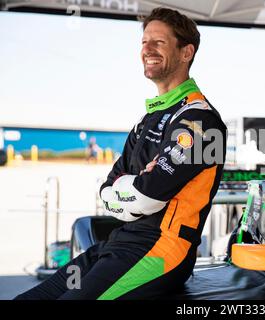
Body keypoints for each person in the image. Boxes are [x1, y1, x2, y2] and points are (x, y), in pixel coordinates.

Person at [15, 7, 227, 300]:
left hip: (161, 251)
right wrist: (129, 189)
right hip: (118, 243)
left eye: (159, 42)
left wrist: (131, 189)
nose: (147, 49)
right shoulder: (149, 118)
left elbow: (148, 195)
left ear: (186, 52)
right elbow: (108, 188)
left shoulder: (202, 121)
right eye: (144, 42)